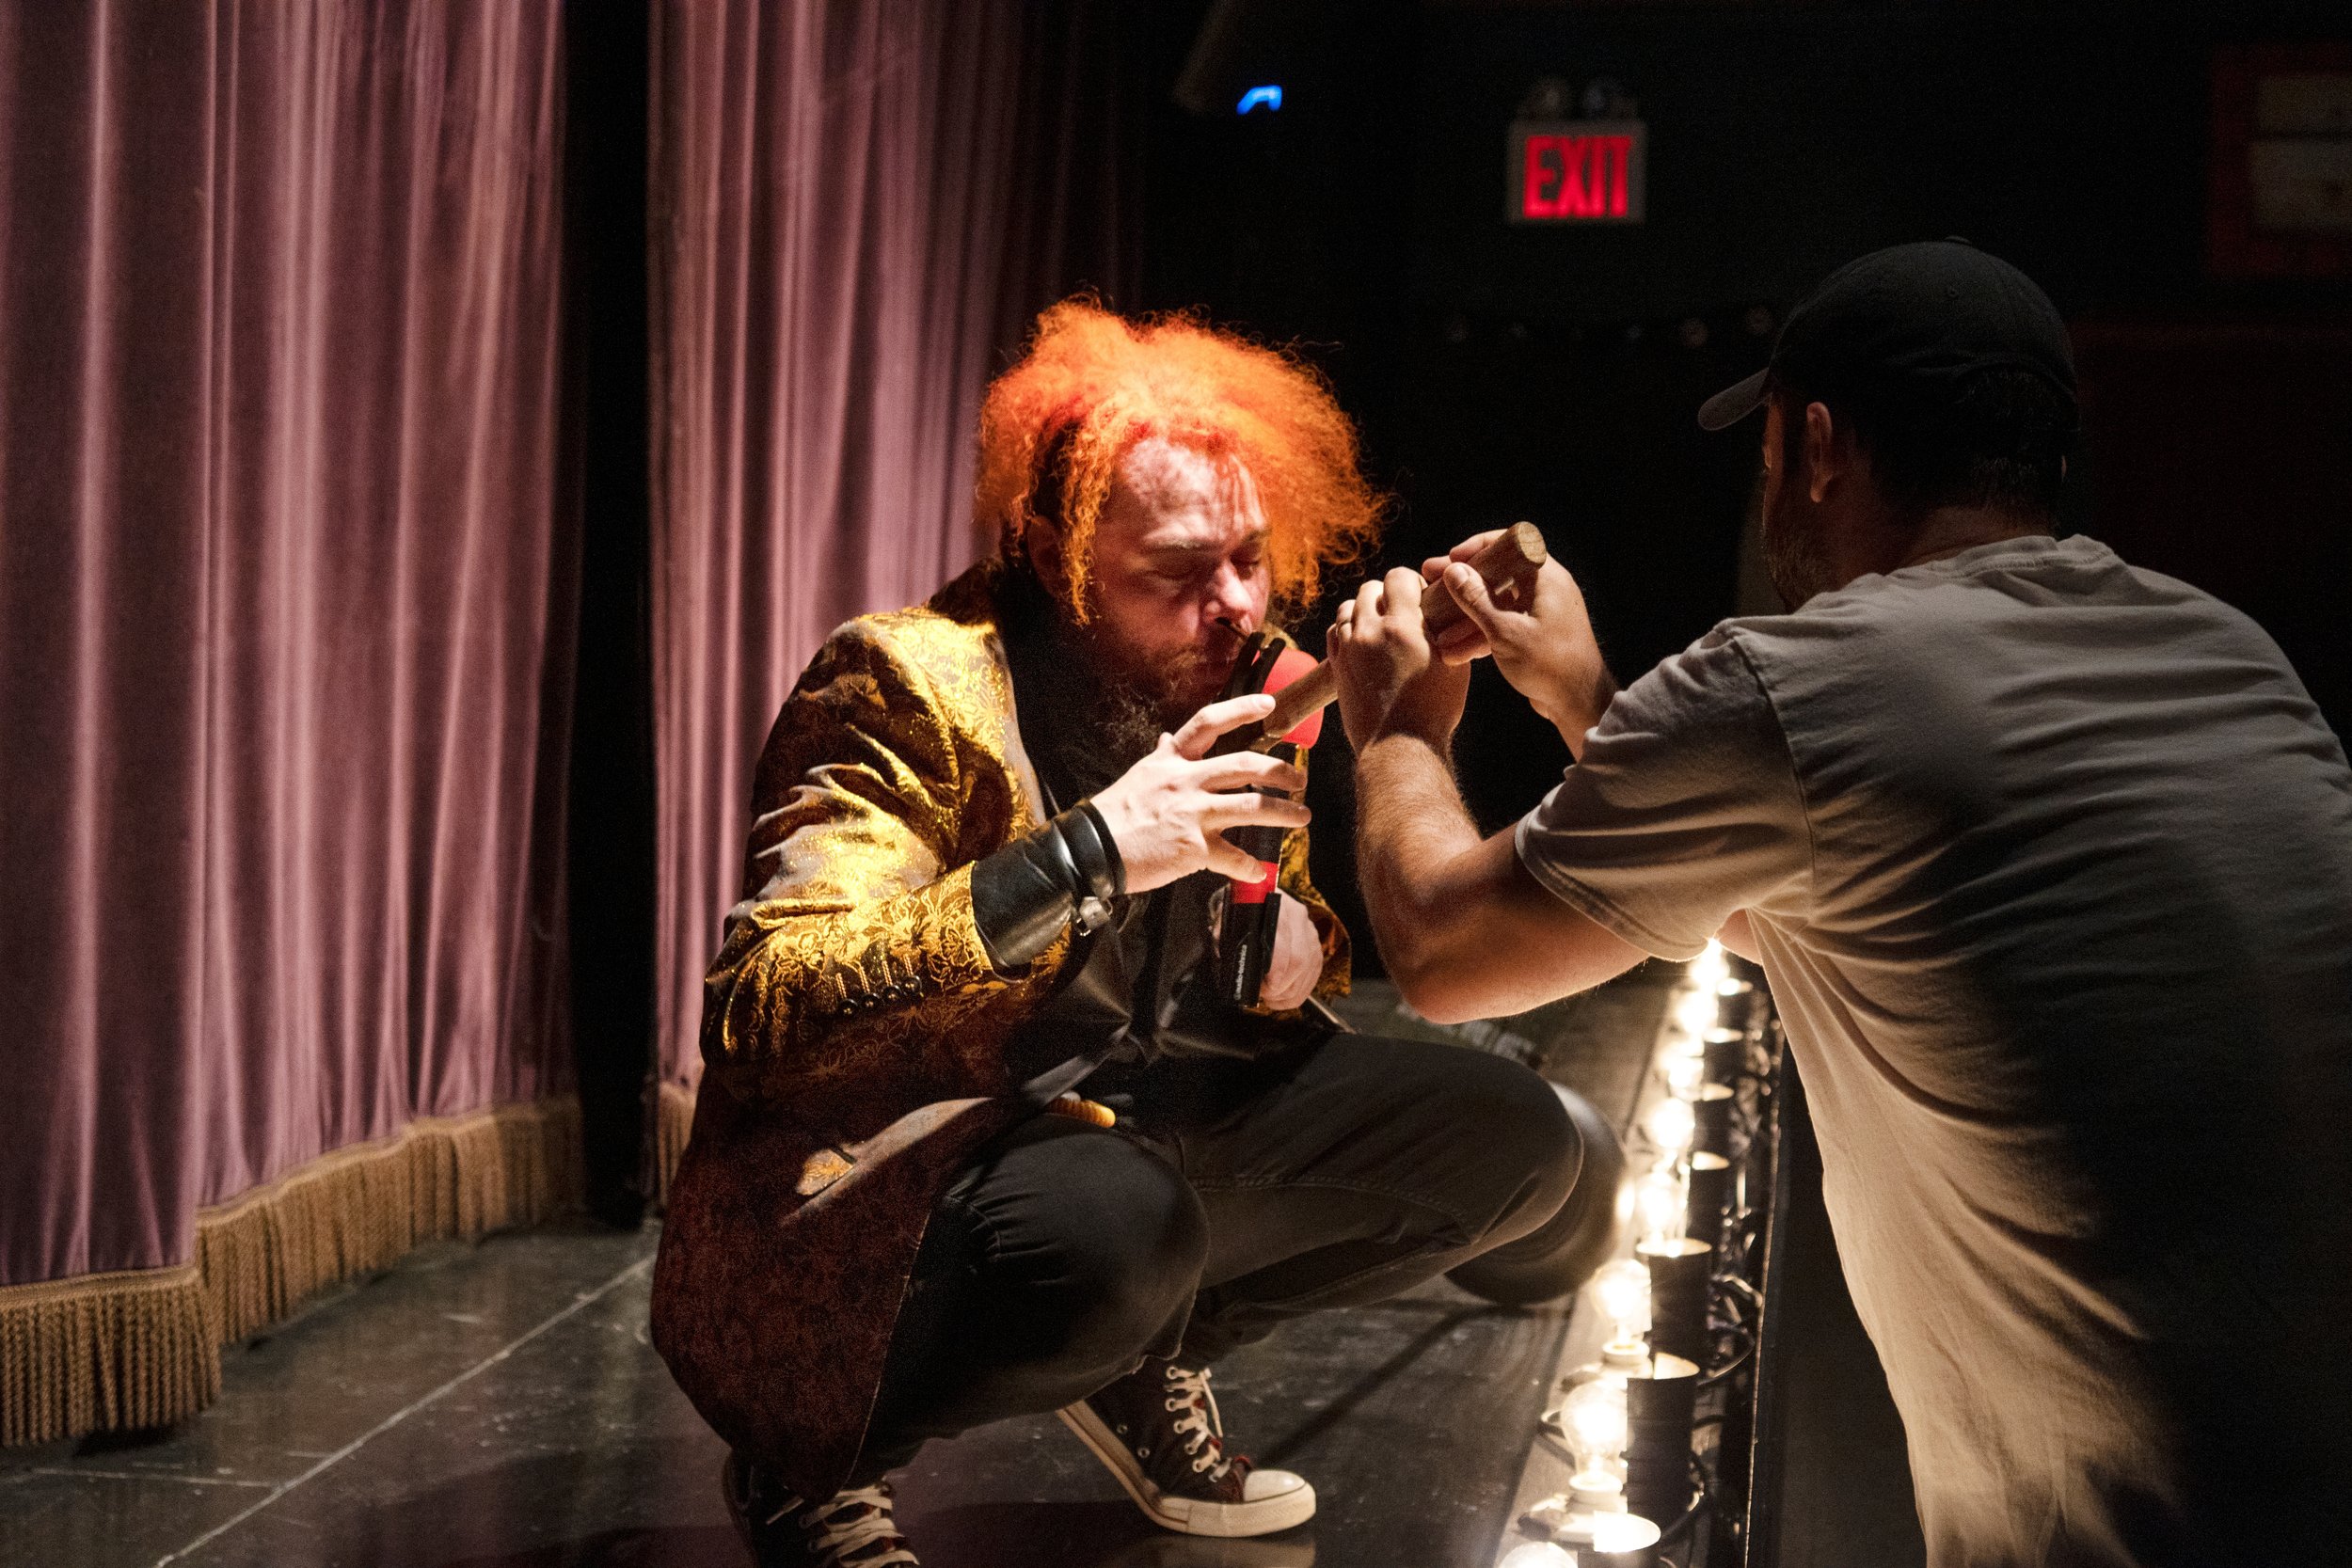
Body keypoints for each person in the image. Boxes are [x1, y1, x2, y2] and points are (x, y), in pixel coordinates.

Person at [1326, 241, 2352, 1567]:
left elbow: (1443, 952)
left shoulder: (1787, 684)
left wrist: (1399, 727)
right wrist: (1590, 703)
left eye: (1763, 454)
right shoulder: (2229, 651)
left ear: (1815, 447)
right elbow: (1838, 901)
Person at [651, 300, 1623, 1568]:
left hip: (1120, 1133)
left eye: (1250, 558)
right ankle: (812, 1456)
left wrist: (1291, 955)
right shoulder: (904, 680)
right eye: (1174, 573)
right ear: (1051, 552)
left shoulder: (1247, 675)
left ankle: (1145, 1363)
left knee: (1521, 1144)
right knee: (1116, 1227)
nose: (1233, 605)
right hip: (887, 1186)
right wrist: (1091, 850)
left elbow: (1257, 957)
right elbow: (766, 1007)